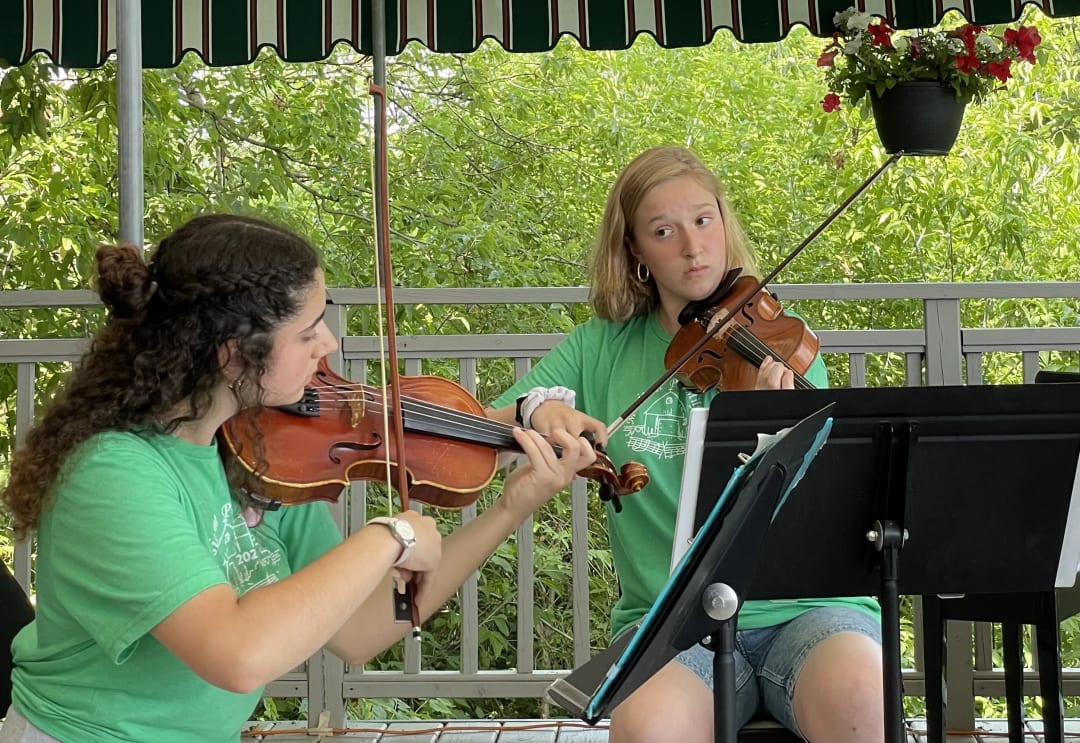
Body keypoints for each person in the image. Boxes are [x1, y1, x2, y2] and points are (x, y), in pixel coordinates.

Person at [0, 214, 596, 743]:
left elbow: (360, 630)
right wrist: (390, 535)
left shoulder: (258, 452)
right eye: (308, 331)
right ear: (235, 355)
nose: (329, 344)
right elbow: (236, 653)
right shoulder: (113, 472)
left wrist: (509, 510)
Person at [486, 146, 884, 743]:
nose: (693, 247)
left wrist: (781, 420)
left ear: (724, 223)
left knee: (864, 700)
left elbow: (829, 504)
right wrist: (535, 406)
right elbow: (490, 433)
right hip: (671, 625)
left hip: (807, 613)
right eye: (663, 231)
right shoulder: (600, 348)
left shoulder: (784, 345)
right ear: (636, 253)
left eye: (703, 220)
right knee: (649, 728)